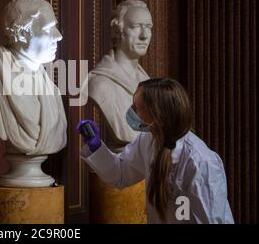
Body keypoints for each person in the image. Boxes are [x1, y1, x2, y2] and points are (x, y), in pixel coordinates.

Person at [78, 78, 234, 223]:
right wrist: (96, 146)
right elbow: (120, 174)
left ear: (157, 115)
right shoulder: (148, 140)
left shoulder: (201, 162)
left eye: (136, 108)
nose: (131, 111)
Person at [0, 0, 67, 157]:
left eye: (56, 27)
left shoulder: (52, 90)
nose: (59, 36)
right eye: (49, 28)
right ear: (22, 34)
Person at [85, 0, 152, 152]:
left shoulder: (149, 83)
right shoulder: (100, 85)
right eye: (136, 27)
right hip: (123, 167)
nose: (144, 35)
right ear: (117, 31)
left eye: (149, 27)